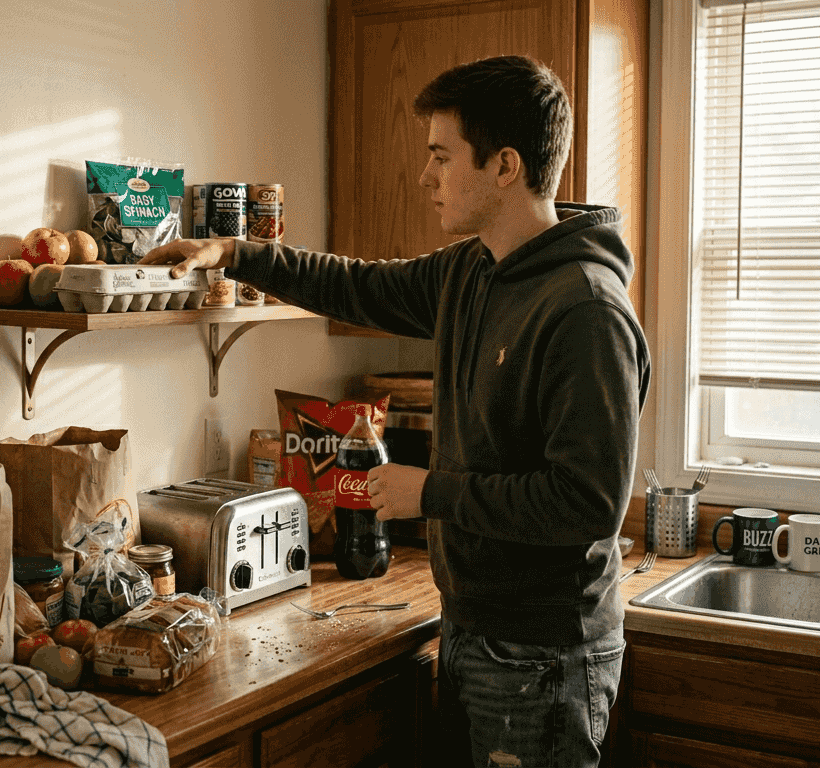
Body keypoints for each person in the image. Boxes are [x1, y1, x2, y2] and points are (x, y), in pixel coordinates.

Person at [143, 55, 649, 767]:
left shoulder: (585, 311)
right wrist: (234, 251)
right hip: (475, 627)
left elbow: (587, 504)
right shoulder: (473, 269)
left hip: (544, 653)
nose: (425, 176)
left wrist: (429, 492)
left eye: (442, 156)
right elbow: (357, 286)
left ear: (505, 166)